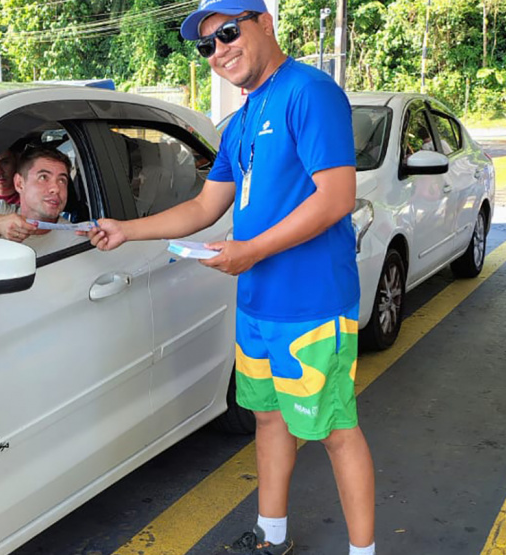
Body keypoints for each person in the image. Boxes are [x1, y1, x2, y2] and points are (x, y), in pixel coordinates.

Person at [86, 1, 375, 554]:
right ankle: (272, 536)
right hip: (258, 304)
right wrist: (126, 228)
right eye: (206, 45)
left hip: (312, 304)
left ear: (264, 23)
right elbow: (203, 208)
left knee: (336, 432)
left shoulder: (308, 91)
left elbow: (337, 197)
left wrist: (251, 250)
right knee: (269, 421)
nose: (219, 51)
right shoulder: (242, 121)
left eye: (226, 33)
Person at [0, 146, 85, 256]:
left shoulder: (75, 238)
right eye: (43, 177)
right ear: (19, 183)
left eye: (62, 180)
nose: (56, 188)